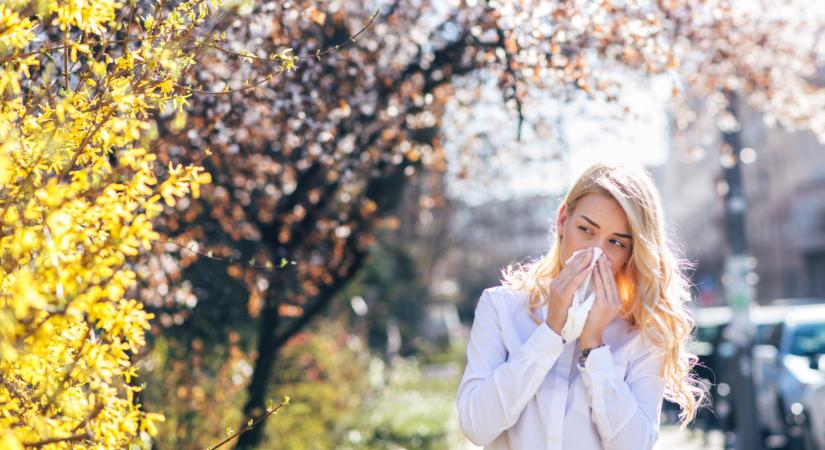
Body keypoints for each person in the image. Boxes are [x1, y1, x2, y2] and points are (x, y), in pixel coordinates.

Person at [456, 163, 708, 449]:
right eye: (586, 230)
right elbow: (476, 427)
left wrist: (593, 347)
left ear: (631, 253)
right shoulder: (501, 308)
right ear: (563, 220)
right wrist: (549, 333)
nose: (596, 253)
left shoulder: (642, 333)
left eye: (616, 242)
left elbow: (635, 445)